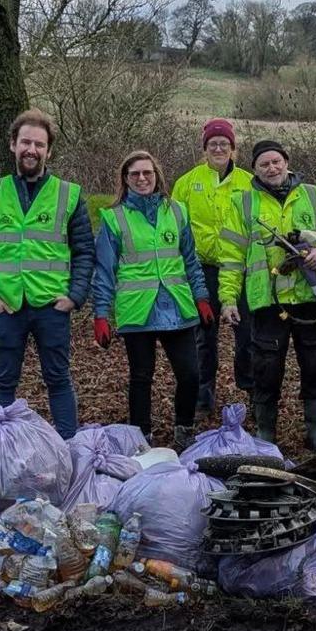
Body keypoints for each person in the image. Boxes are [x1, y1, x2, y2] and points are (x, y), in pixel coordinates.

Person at [0, 108, 94, 439]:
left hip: (52, 306)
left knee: (58, 379)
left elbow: (84, 251)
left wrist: (75, 296)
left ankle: (69, 448)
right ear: (12, 144)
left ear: (49, 150)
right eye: (26, 142)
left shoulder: (70, 194)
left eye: (39, 144)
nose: (31, 150)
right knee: (3, 381)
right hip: (6, 305)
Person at [219, 139, 316, 449]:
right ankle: (267, 432)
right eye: (264, 164)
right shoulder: (243, 203)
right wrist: (227, 298)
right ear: (255, 169)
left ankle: (315, 429)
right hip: (267, 301)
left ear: (286, 163)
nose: (271, 168)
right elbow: (231, 255)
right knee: (266, 367)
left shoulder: (313, 195)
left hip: (308, 298)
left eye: (276, 161)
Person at [91, 151, 212, 447]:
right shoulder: (114, 217)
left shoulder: (177, 211)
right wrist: (101, 314)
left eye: (147, 173)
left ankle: (184, 430)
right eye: (135, 174)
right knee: (141, 377)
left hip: (177, 305)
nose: (142, 179)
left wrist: (202, 296)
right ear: (125, 179)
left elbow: (191, 260)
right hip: (137, 309)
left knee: (190, 374)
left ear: (157, 175)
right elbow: (105, 270)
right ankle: (140, 436)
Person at [171, 118, 254, 421]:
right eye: (212, 144)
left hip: (241, 270)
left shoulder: (249, 182)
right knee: (203, 338)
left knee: (247, 336)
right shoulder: (186, 182)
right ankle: (203, 396)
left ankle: (251, 391)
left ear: (233, 148)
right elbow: (175, 227)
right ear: (204, 148)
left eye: (224, 143)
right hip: (202, 270)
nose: (218, 148)